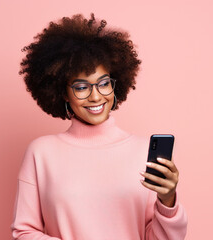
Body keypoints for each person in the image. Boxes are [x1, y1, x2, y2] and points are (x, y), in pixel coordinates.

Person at [11, 13, 188, 240]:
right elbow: (23, 232)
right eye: (81, 87)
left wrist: (168, 201)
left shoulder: (144, 152)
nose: (96, 96)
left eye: (104, 83)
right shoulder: (41, 153)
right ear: (63, 93)